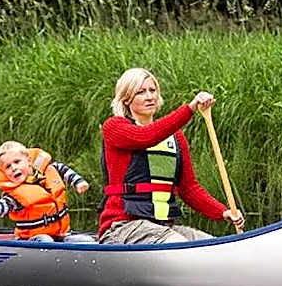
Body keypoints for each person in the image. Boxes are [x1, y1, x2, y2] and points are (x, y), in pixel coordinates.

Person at [98, 67, 245, 244]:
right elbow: (145, 137)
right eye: (141, 92)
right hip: (123, 227)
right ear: (127, 99)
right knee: (179, 245)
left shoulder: (176, 138)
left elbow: (189, 188)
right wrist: (190, 109)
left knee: (214, 244)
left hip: (163, 227)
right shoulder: (114, 127)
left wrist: (223, 212)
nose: (150, 96)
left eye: (153, 90)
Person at [0, 141, 94, 242]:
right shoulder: (14, 196)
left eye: (17, 162)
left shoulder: (47, 170)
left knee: (87, 241)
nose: (14, 168)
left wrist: (78, 182)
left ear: (29, 160)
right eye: (8, 167)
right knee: (46, 241)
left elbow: (63, 169)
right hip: (31, 239)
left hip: (61, 234)